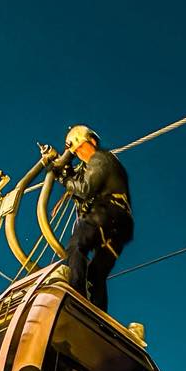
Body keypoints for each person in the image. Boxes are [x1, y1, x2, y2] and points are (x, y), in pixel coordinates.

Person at [41, 125, 133, 312]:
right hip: (119, 227)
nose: (80, 153)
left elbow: (83, 189)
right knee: (95, 276)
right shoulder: (91, 166)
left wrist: (64, 179)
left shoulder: (101, 158)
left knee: (76, 246)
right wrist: (64, 171)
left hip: (107, 213)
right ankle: (98, 316)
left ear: (90, 142)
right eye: (77, 151)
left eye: (80, 148)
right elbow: (78, 186)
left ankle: (75, 295)